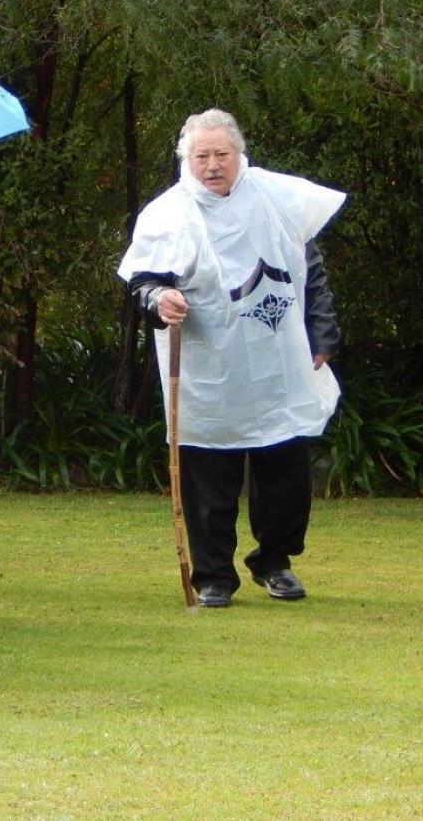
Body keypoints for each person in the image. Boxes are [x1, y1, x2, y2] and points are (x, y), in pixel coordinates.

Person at [117, 108, 344, 609]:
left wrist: (322, 331)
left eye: (222, 154)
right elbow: (143, 283)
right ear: (186, 159)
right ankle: (214, 574)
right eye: (202, 156)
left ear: (240, 153)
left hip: (277, 357)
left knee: (284, 466)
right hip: (208, 363)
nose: (213, 165)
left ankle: (275, 561)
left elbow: (311, 269)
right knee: (208, 472)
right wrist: (160, 299)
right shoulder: (168, 213)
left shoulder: (277, 197)